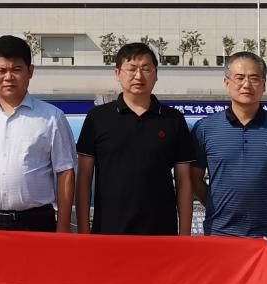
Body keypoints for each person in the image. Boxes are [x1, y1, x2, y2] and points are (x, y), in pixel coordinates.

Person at [73, 42, 197, 235]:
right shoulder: (97, 118)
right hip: (109, 231)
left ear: (156, 74)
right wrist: (83, 231)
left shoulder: (173, 120)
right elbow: (84, 179)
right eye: (131, 69)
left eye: (146, 69)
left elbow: (183, 181)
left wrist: (185, 235)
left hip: (161, 232)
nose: (138, 76)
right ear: (117, 74)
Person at [0, 35, 76, 232]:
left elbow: (65, 171)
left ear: (30, 71)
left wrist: (63, 226)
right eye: (1, 70)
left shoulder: (52, 117)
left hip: (35, 223)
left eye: (16, 69)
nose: (8, 77)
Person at [191, 51, 267, 251]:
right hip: (220, 236)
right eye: (239, 77)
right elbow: (194, 180)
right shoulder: (205, 129)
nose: (246, 84)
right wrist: (217, 205)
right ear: (227, 83)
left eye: (254, 78)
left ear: (264, 84)